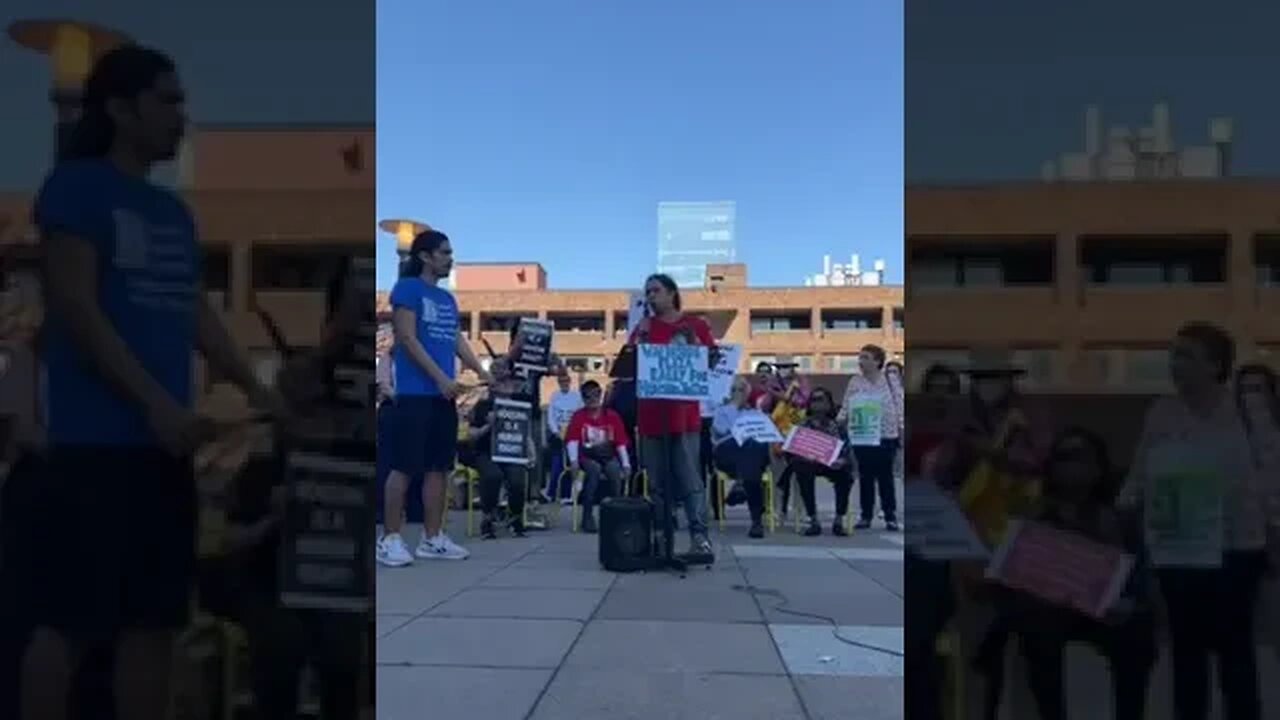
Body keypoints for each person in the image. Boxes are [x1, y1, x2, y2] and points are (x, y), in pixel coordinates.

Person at [17, 44, 291, 720]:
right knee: (67, 624)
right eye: (167, 101)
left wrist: (260, 395)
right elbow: (76, 309)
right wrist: (157, 405)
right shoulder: (76, 189)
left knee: (156, 624)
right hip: (91, 451)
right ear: (120, 107)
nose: (181, 116)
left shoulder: (173, 214)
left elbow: (198, 314)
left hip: (162, 457)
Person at [1118, 322, 1267, 720]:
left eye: (1186, 356)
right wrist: (1126, 506)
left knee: (1236, 654)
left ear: (1215, 365)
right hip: (1179, 550)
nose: (1175, 364)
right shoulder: (1161, 412)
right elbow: (1139, 474)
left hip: (1237, 549)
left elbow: (1272, 477)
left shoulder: (1249, 413)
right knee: (1187, 653)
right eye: (1173, 355)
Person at [1001, 427, 1156, 720]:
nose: (1071, 466)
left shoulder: (1120, 517)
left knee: (1138, 634)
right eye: (1063, 458)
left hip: (1105, 612)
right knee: (1036, 631)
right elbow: (1013, 574)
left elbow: (1138, 576)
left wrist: (1125, 603)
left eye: (1080, 457)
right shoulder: (1036, 514)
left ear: (1098, 468)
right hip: (1050, 612)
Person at [377, 229, 492, 566]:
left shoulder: (447, 300)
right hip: (413, 396)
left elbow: (456, 341)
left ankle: (433, 539)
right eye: (444, 252)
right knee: (403, 467)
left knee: (438, 469)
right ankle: (390, 539)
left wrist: (482, 373)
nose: (450, 258)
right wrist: (441, 379)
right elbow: (408, 340)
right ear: (425, 256)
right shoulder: (407, 289)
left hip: (443, 398)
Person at [627, 273, 716, 557]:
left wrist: (694, 345)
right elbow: (628, 362)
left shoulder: (695, 325)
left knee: (690, 478)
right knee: (656, 481)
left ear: (672, 293)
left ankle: (699, 538)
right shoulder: (644, 327)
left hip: (684, 415)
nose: (651, 296)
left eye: (655, 290)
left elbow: (712, 360)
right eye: (647, 292)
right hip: (651, 416)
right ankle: (662, 536)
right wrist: (639, 336)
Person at [838, 344, 904, 531]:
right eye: (860, 357)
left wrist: (902, 429)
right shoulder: (855, 382)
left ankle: (890, 515)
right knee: (865, 476)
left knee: (886, 476)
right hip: (863, 435)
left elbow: (899, 406)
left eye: (866, 357)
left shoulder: (890, 380)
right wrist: (839, 422)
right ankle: (866, 515)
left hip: (886, 435)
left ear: (877, 361)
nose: (861, 361)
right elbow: (846, 406)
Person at [467, 358, 535, 539]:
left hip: (511, 453)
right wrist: (487, 426)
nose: (503, 387)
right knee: (492, 476)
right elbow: (470, 435)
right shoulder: (482, 406)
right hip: (485, 452)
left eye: (507, 384)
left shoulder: (519, 406)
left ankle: (515, 517)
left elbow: (524, 432)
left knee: (518, 480)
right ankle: (487, 517)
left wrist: (529, 449)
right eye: (498, 384)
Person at [564, 380, 631, 532]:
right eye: (588, 396)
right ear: (583, 398)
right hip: (587, 457)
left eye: (596, 395)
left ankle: (616, 516)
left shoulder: (612, 416)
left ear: (600, 395)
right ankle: (587, 517)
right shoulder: (578, 416)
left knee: (615, 472)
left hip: (608, 455)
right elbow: (572, 440)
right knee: (593, 472)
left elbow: (621, 442)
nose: (592, 399)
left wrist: (626, 464)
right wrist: (574, 461)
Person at [711, 377, 772, 538]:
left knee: (754, 447)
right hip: (728, 452)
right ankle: (756, 520)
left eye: (741, 390)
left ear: (747, 393)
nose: (737, 393)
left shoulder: (756, 413)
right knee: (748, 451)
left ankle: (741, 484)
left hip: (753, 455)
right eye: (733, 390)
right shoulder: (721, 411)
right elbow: (722, 430)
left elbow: (765, 435)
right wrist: (734, 406)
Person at [787, 387, 853, 536]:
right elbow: (793, 451)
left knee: (846, 473)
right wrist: (804, 456)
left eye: (821, 399)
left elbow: (847, 449)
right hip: (809, 463)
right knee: (801, 469)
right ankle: (813, 519)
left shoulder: (838, 426)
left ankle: (838, 519)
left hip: (832, 464)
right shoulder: (802, 425)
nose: (817, 404)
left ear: (829, 404)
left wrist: (842, 461)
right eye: (814, 400)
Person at [544, 368, 582, 504]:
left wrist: (573, 431)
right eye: (561, 381)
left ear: (570, 382)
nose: (564, 383)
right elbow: (551, 417)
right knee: (557, 465)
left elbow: (580, 416)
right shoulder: (555, 396)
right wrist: (556, 431)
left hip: (573, 435)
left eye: (566, 381)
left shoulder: (577, 396)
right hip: (558, 435)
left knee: (569, 464)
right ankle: (551, 493)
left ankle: (566, 495)